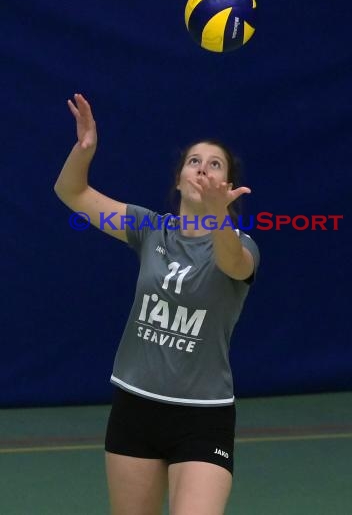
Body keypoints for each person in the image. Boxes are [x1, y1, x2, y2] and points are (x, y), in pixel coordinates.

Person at [54, 93, 260, 515]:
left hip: (203, 416)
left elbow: (233, 266)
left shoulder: (241, 244)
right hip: (136, 406)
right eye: (194, 161)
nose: (203, 168)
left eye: (215, 163)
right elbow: (72, 192)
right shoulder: (149, 229)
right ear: (180, 180)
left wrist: (220, 217)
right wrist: (84, 150)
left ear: (227, 186)